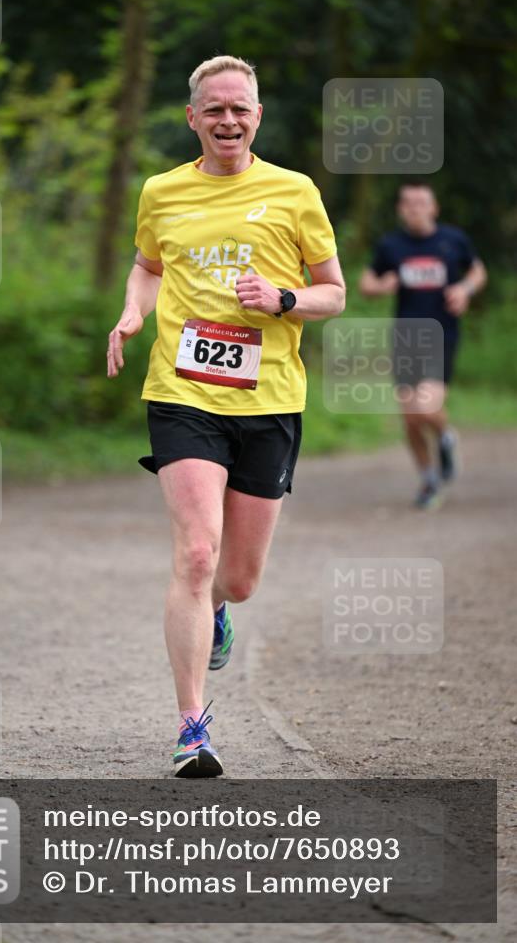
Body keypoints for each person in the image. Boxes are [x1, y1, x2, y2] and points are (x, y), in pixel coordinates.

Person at [107, 55, 345, 777]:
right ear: (192, 118)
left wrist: (281, 299)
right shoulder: (161, 191)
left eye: (239, 108)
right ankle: (191, 728)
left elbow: (331, 293)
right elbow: (148, 265)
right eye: (213, 109)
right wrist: (131, 312)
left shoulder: (294, 192)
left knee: (236, 578)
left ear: (257, 116)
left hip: (269, 399)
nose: (227, 120)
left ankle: (217, 611)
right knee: (196, 553)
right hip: (182, 391)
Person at [360, 183, 487, 509]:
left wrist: (465, 290)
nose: (415, 208)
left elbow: (477, 270)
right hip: (405, 337)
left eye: (421, 202)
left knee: (426, 406)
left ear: (434, 208)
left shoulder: (452, 240)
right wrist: (382, 285)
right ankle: (429, 479)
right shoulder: (391, 245)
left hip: (442, 333)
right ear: (401, 209)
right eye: (408, 203)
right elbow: (365, 283)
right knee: (410, 417)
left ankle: (446, 438)